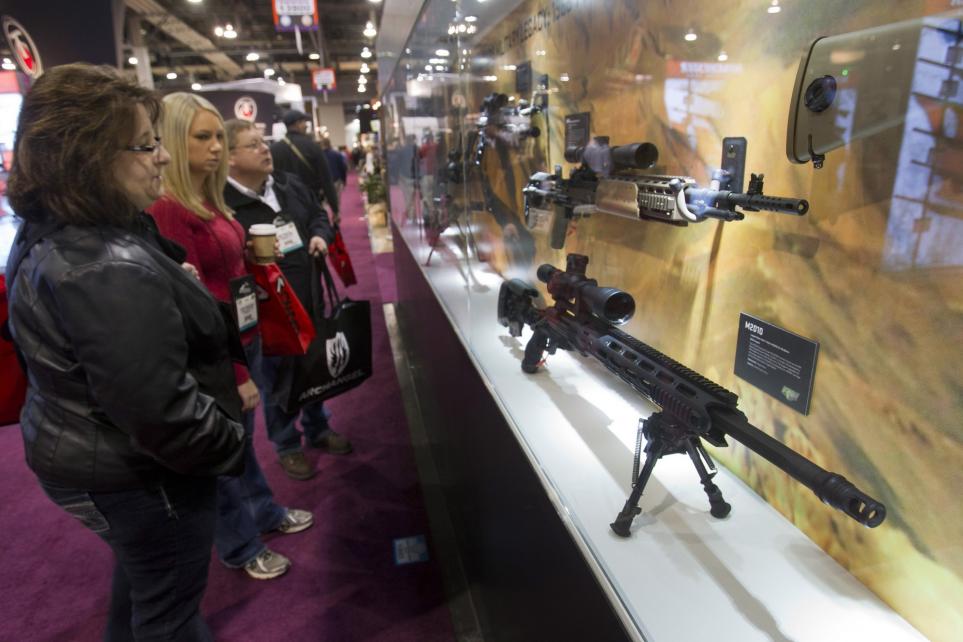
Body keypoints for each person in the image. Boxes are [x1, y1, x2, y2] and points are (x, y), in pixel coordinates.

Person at [5, 63, 245, 640]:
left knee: (145, 591)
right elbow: (161, 413)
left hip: (87, 451)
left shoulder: (62, 228)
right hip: (138, 473)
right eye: (144, 145)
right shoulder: (102, 263)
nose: (162, 157)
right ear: (86, 157)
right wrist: (230, 442)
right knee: (170, 617)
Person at [147, 93, 313, 580]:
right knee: (223, 452)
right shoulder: (170, 209)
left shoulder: (208, 199)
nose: (216, 146)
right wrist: (237, 371)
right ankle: (240, 545)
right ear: (175, 141)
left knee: (240, 444)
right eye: (203, 137)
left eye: (219, 136)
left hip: (243, 336)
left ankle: (262, 513)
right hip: (217, 352)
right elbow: (196, 305)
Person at [224, 118, 353, 481]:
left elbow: (317, 215)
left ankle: (318, 427)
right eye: (253, 145)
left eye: (263, 141)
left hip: (308, 293)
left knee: (313, 366)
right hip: (268, 311)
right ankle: (286, 445)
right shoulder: (223, 205)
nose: (265, 149)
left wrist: (320, 235)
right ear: (230, 157)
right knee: (277, 380)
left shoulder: (288, 183)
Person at [271, 109, 341, 224]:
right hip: (312, 205)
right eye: (304, 122)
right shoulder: (313, 147)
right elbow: (326, 180)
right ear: (297, 123)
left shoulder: (274, 149)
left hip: (285, 208)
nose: (306, 125)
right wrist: (335, 209)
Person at [320, 137, 348, 205]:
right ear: (329, 144)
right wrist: (344, 180)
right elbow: (343, 168)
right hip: (336, 180)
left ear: (322, 144)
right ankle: (336, 211)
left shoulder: (319, 155)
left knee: (325, 202)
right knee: (337, 200)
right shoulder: (337, 154)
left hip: (324, 182)